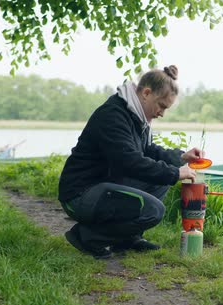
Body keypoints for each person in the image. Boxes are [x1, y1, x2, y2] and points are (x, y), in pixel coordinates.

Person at [58, 65, 203, 259]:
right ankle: (87, 237)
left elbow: (148, 151)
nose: (162, 113)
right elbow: (129, 161)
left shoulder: (136, 116)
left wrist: (182, 158)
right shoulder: (113, 115)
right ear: (146, 93)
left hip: (104, 186)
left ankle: (127, 238)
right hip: (79, 194)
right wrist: (175, 173)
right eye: (161, 106)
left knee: (160, 180)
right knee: (154, 210)